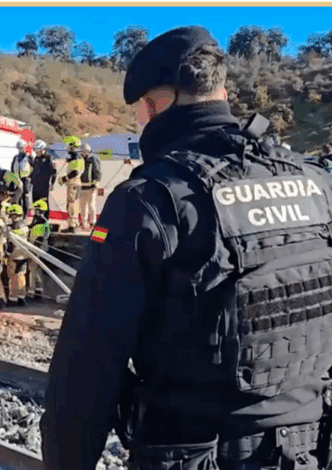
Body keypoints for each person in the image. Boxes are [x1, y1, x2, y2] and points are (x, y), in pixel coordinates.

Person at [41, 25, 332, 470]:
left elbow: (86, 371)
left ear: (155, 105)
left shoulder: (147, 200)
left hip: (195, 453)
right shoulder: (316, 184)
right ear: (222, 94)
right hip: (308, 450)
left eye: (139, 113)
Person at [56, 137, 84, 232]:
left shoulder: (76, 157)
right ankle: (74, 224)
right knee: (74, 204)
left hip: (73, 183)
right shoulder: (78, 157)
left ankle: (72, 226)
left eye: (68, 146)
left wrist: (64, 178)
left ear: (72, 146)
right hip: (76, 183)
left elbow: (75, 172)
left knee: (71, 204)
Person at [5, 204, 30, 306]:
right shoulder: (25, 227)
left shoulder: (10, 229)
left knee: (13, 277)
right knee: (21, 276)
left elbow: (10, 244)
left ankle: (12, 298)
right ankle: (21, 297)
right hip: (24, 255)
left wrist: (7, 254)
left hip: (14, 255)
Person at [27, 198, 51, 301]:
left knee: (33, 270)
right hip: (36, 248)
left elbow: (40, 239)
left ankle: (32, 292)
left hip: (38, 250)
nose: (35, 212)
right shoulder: (37, 221)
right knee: (36, 271)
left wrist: (33, 250)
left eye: (36, 210)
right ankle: (38, 290)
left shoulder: (43, 222)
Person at [78, 143, 102, 230]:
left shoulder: (93, 160)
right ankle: (83, 221)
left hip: (91, 186)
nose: (84, 153)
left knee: (91, 205)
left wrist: (95, 183)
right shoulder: (80, 160)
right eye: (83, 151)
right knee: (82, 205)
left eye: (86, 151)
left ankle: (93, 222)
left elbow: (97, 172)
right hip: (82, 186)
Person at [31, 140, 57, 209]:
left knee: (44, 204)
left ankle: (45, 215)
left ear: (42, 150)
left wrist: (52, 183)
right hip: (35, 185)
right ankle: (36, 215)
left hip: (44, 186)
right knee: (35, 203)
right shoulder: (36, 158)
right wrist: (31, 180)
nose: (36, 153)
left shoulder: (49, 158)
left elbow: (54, 172)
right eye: (35, 151)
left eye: (37, 151)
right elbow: (34, 170)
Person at [11, 140, 34, 215]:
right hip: (18, 180)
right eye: (19, 148)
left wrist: (31, 177)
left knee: (25, 197)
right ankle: (19, 213)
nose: (21, 149)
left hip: (26, 179)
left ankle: (25, 214)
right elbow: (12, 168)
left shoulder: (29, 157)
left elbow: (34, 168)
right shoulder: (16, 157)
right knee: (18, 196)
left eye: (22, 147)